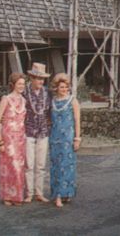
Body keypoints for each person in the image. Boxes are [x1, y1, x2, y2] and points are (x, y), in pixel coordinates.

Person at [48, 73, 81, 208]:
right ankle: (57, 195)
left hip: (68, 139)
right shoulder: (53, 101)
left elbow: (77, 121)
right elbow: (50, 120)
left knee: (67, 166)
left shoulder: (73, 101)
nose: (64, 89)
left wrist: (77, 138)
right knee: (56, 167)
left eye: (66, 87)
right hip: (55, 138)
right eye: (61, 87)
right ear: (56, 88)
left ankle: (66, 193)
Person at [0, 73, 27, 206]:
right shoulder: (6, 99)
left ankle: (17, 196)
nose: (22, 86)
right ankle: (7, 196)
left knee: (19, 168)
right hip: (8, 138)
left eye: (23, 84)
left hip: (20, 138)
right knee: (9, 167)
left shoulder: (24, 100)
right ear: (13, 84)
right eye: (19, 84)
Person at [23, 62, 52, 203]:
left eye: (42, 79)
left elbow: (50, 112)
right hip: (28, 131)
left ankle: (39, 193)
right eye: (38, 78)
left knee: (40, 165)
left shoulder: (47, 92)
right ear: (32, 78)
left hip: (43, 132)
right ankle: (29, 193)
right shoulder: (24, 91)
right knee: (29, 164)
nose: (40, 81)